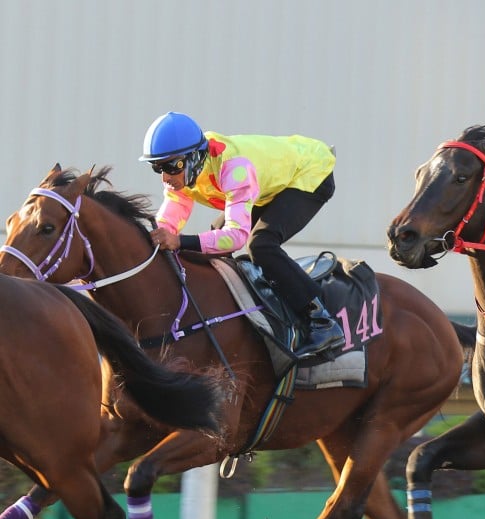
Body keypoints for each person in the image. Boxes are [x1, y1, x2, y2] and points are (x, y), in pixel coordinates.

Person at [139, 111, 344, 361]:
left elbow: (235, 236)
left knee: (261, 244)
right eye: (157, 167)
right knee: (212, 242)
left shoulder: (234, 167)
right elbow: (172, 217)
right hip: (267, 186)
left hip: (310, 172)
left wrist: (181, 241)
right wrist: (154, 241)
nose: (166, 177)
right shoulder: (185, 172)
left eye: (172, 166)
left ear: (194, 157)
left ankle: (321, 320)